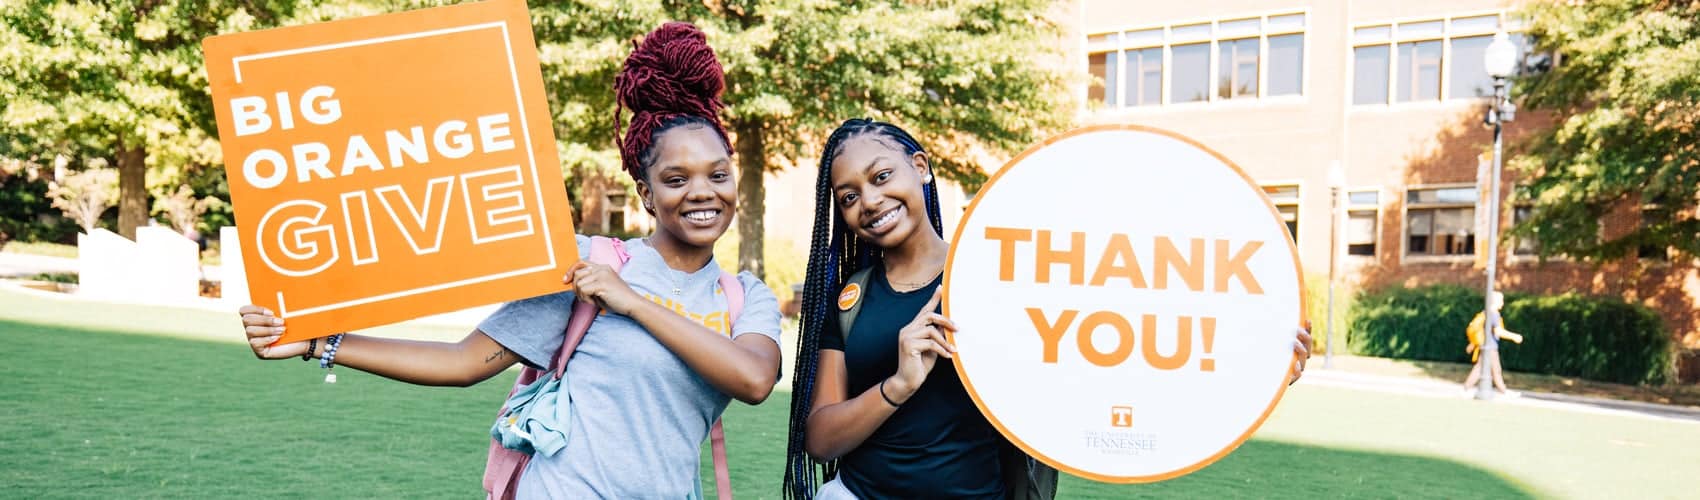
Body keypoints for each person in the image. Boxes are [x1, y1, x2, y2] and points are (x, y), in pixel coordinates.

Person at [237, 22, 783, 498]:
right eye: (675, 179)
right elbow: (465, 362)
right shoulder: (583, 263)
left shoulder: (742, 297)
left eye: (717, 174)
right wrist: (317, 342)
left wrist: (632, 302)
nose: (702, 192)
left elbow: (754, 380)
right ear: (644, 193)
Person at [781, 119, 1313, 499]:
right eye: (847, 196)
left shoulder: (1003, 273)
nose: (868, 202)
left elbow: (1115, 357)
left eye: (880, 177)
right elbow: (821, 437)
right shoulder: (850, 296)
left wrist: (1252, 375)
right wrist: (898, 385)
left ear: (920, 168)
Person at [1463, 291, 1524, 396]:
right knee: (1494, 370)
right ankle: (1503, 391)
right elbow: (1498, 331)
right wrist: (1514, 337)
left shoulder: (1485, 313)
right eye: (1501, 300)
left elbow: (1482, 331)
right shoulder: (1494, 314)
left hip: (1485, 346)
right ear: (1494, 301)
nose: (1502, 303)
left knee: (1482, 368)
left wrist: (1472, 344)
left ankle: (1466, 389)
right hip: (1490, 348)